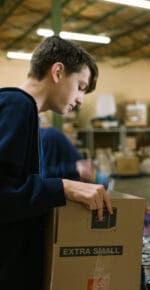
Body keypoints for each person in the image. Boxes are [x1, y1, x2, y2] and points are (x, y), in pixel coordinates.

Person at [0, 36, 113, 290]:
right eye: (81, 86)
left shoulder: (29, 116)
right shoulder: (17, 106)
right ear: (58, 71)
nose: (81, 99)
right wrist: (64, 187)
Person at [40, 126, 110, 187]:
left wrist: (75, 168)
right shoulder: (48, 136)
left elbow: (46, 175)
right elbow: (45, 175)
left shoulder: (48, 136)